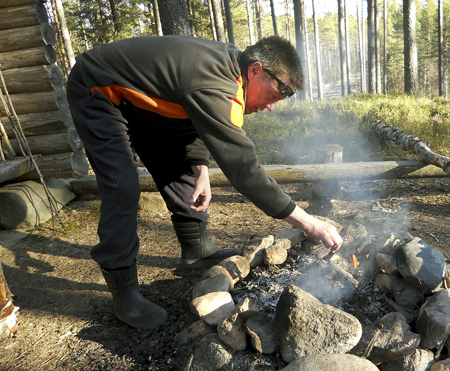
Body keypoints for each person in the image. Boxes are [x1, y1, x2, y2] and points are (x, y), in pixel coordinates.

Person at [66, 35, 343, 330]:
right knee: (122, 186)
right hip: (99, 89)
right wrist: (309, 223)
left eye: (285, 96)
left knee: (180, 165)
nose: (273, 106)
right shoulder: (216, 83)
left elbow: (193, 118)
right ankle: (124, 292)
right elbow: (244, 170)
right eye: (278, 92)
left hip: (142, 101)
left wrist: (201, 168)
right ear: (256, 70)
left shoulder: (228, 75)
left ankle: (196, 249)